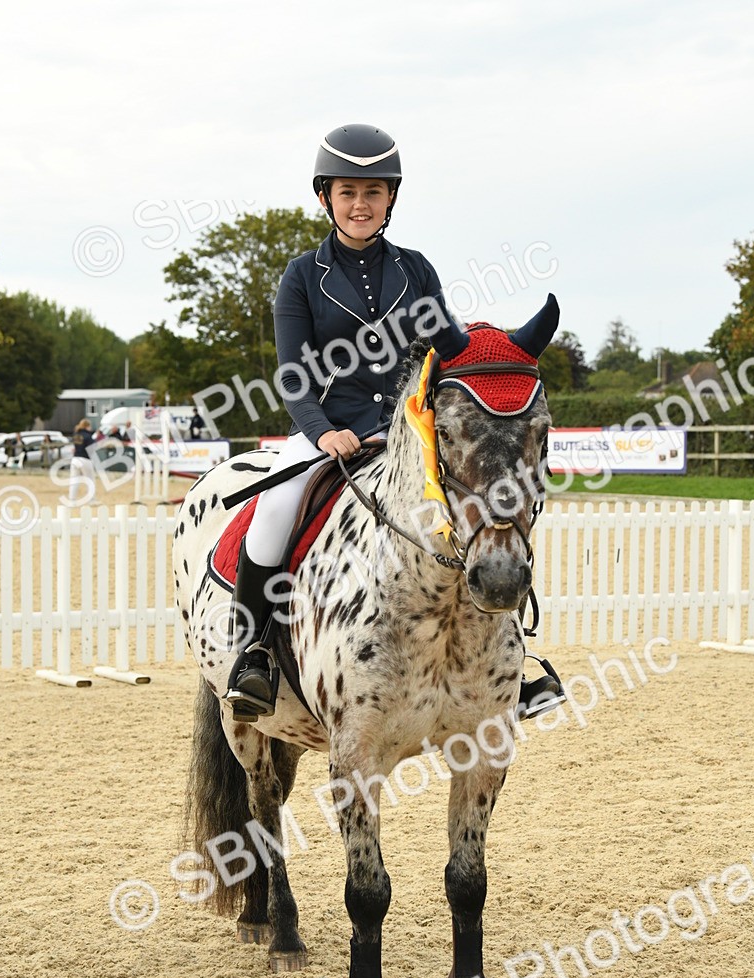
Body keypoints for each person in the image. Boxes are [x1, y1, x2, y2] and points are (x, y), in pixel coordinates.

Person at [225, 123, 564, 723]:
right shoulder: (302, 278)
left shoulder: (417, 271)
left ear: (391, 200)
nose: (361, 205)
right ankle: (254, 654)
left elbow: (446, 354)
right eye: (349, 192)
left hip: (407, 434)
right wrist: (323, 430)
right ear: (325, 197)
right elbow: (293, 375)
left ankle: (515, 661)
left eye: (374, 193)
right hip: (327, 430)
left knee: (482, 510)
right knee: (275, 508)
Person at [69, 418, 95, 504]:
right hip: (85, 459)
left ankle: (72, 500)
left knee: (74, 480)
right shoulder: (88, 436)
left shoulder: (76, 434)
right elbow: (92, 448)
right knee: (90, 481)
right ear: (87, 426)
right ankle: (91, 500)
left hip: (75, 459)